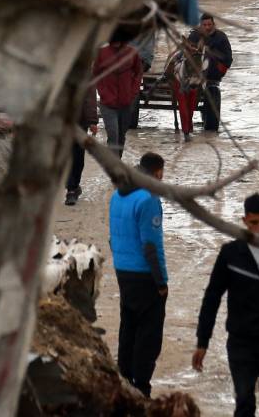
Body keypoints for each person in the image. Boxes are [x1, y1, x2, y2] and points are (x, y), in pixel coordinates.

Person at [195, 193, 259, 417]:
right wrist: (203, 341)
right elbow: (212, 296)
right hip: (241, 342)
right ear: (244, 221)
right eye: (254, 223)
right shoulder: (231, 254)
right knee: (244, 401)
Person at [110, 152, 170, 395]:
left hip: (122, 270)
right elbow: (151, 246)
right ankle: (142, 387)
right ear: (157, 172)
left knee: (128, 328)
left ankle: (123, 380)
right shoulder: (148, 199)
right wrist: (162, 281)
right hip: (144, 274)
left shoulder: (118, 194)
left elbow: (113, 235)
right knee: (149, 336)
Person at [95, 33, 145, 158]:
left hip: (126, 103)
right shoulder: (101, 53)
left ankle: (117, 160)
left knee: (121, 137)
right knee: (113, 135)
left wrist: (133, 92)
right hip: (108, 104)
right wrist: (103, 92)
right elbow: (95, 74)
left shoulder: (132, 53)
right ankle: (114, 168)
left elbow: (138, 73)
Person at [66, 81, 100, 206]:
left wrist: (92, 121)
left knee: (77, 155)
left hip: (79, 122)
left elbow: (90, 97)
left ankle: (72, 186)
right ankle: (71, 187)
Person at [199, 15, 233, 134]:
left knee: (212, 91)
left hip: (212, 75)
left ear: (213, 25)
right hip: (194, 72)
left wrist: (219, 70)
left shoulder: (221, 38)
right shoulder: (194, 36)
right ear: (201, 25)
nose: (207, 27)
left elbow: (228, 59)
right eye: (205, 25)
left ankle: (211, 127)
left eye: (209, 25)